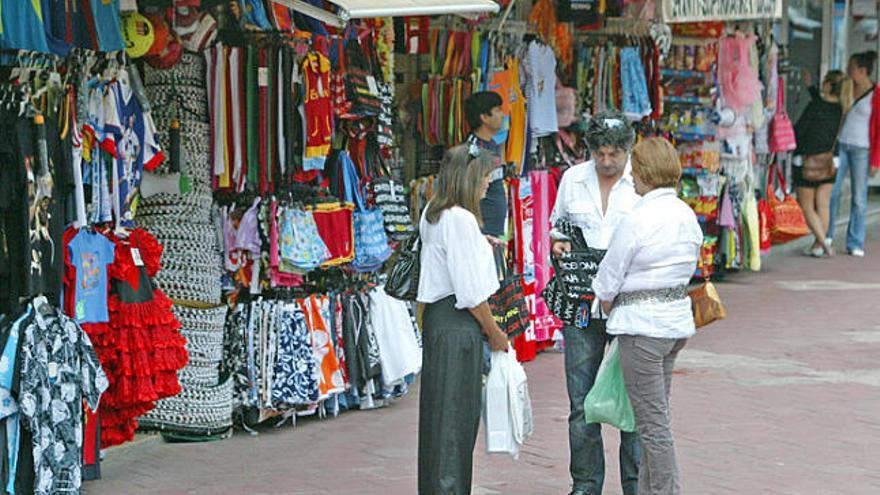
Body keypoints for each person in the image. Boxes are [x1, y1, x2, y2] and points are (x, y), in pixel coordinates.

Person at [593, 137, 703, 495]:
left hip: (642, 327)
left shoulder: (639, 218)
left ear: (643, 172)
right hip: (673, 323)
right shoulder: (686, 215)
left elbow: (609, 276)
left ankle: (666, 491)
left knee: (653, 426)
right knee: (654, 419)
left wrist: (606, 300)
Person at [549, 110, 642, 495]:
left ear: (627, 151)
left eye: (614, 155)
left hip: (629, 301)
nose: (607, 162)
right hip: (581, 300)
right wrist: (558, 244)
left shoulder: (641, 181)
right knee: (580, 399)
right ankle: (585, 484)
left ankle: (636, 484)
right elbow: (557, 226)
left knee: (633, 399)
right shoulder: (572, 179)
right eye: (600, 154)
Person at [416, 145, 509, 494]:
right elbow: (471, 294)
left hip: (439, 322)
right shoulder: (461, 219)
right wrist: (495, 332)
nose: (488, 183)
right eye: (485, 176)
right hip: (458, 326)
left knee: (439, 421)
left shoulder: (434, 212)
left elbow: (444, 256)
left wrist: (478, 244)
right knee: (455, 422)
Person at [828, 51, 880, 257]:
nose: (849, 72)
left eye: (852, 68)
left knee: (859, 197)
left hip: (862, 149)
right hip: (842, 145)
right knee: (832, 191)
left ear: (862, 71)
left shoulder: (876, 95)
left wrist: (875, 161)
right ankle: (827, 235)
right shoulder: (846, 89)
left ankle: (855, 241)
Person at [792, 70, 845, 257]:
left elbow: (799, 130)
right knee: (823, 205)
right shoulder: (840, 108)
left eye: (824, 82)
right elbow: (822, 104)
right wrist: (810, 88)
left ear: (829, 85)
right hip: (830, 161)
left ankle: (824, 243)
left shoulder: (815, 106)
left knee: (806, 206)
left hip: (807, 161)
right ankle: (820, 245)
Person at [464, 91, 507, 241]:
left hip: (493, 230)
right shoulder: (473, 148)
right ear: (484, 117)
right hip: (481, 230)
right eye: (498, 111)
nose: (502, 115)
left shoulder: (492, 144)